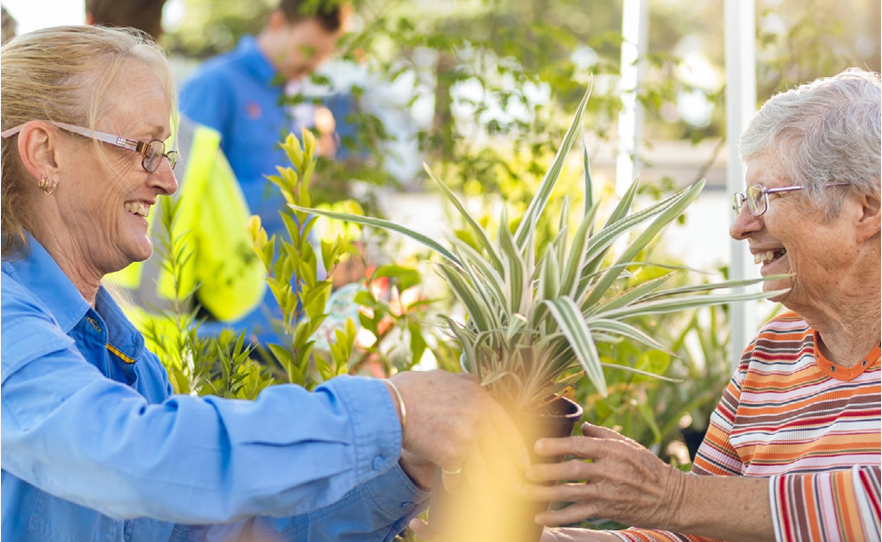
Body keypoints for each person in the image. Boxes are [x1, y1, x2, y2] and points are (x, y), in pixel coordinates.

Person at [0, 25, 527, 542]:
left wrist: (407, 465)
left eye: (166, 152)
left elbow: (221, 533)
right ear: (45, 153)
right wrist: (391, 411)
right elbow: (132, 457)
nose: (168, 180)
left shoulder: (125, 355)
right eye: (142, 148)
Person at [520, 69, 881, 542]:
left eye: (764, 197)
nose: (741, 226)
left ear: (865, 209)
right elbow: (693, 535)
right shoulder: (771, 352)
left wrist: (672, 496)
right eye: (744, 199)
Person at [85, 0, 267, 335]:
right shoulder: (192, 146)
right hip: (153, 366)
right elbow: (238, 291)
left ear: (88, 22)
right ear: (160, 32)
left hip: (49, 348)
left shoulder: (45, 130)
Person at [178, 0, 346, 344]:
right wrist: (290, 192)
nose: (313, 65)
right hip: (229, 332)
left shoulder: (298, 97)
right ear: (277, 22)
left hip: (291, 328)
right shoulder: (214, 86)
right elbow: (179, 195)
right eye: (309, 50)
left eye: (323, 56)